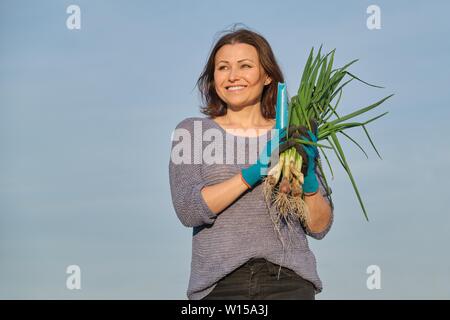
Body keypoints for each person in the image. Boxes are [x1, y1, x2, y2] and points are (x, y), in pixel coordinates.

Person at [168, 27, 333, 300]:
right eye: (223, 68)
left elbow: (320, 227)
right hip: (218, 287)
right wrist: (253, 172)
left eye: (245, 66)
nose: (233, 76)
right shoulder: (191, 132)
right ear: (213, 78)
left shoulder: (293, 133)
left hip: (289, 282)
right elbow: (188, 210)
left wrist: (311, 184)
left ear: (267, 75)